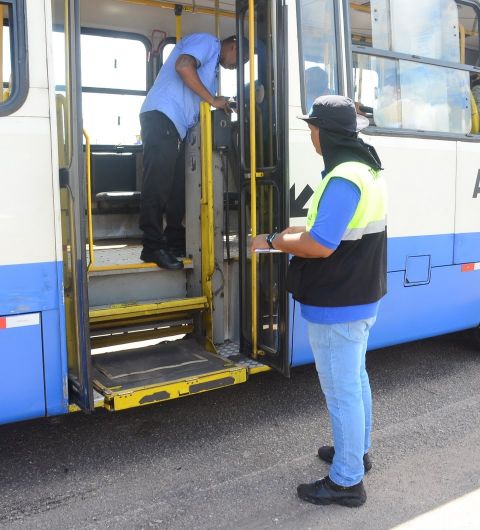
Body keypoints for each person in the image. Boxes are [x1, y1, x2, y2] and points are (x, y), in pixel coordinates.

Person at [252, 95, 388, 507]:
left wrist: (273, 241)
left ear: (325, 133)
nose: (310, 134)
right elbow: (328, 229)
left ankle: (347, 482)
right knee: (355, 380)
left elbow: (321, 244)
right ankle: (356, 454)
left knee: (341, 390)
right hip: (359, 296)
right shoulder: (365, 169)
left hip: (338, 303)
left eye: (313, 127)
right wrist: (290, 233)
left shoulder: (343, 178)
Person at [138, 34, 243, 270]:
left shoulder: (213, 66)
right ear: (232, 45)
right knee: (158, 182)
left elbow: (198, 97)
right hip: (163, 115)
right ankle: (152, 245)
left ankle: (174, 238)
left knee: (178, 186)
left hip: (177, 126)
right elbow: (183, 66)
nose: (238, 65)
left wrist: (219, 104)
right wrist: (213, 99)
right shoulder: (208, 42)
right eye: (240, 58)